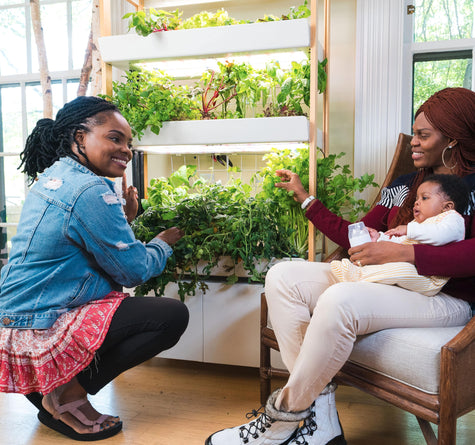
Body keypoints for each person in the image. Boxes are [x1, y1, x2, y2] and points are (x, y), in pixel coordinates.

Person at [206, 87, 475, 445]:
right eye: (414, 133)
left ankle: (280, 422)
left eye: (424, 135)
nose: (414, 142)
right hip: (385, 283)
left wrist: (400, 254)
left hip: (447, 300)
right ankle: (322, 420)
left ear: (453, 139)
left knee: (340, 299)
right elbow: (358, 236)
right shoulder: (402, 187)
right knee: (283, 276)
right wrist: (306, 200)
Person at [0, 96, 189, 441]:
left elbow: (86, 247)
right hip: (40, 327)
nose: (126, 150)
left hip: (18, 320)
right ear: (78, 137)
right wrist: (162, 243)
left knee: (125, 306)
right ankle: (64, 394)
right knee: (171, 316)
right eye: (114, 138)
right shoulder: (89, 189)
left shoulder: (57, 177)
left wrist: (125, 218)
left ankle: (54, 390)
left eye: (129, 142)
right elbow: (131, 271)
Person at [331, 173, 469, 296]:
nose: (416, 202)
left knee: (400, 269)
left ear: (447, 207)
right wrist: (379, 238)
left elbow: (440, 236)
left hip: (431, 280)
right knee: (392, 266)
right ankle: (361, 273)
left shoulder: (453, 219)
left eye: (425, 198)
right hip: (417, 272)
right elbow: (402, 243)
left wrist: (409, 230)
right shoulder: (419, 224)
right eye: (416, 198)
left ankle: (359, 276)